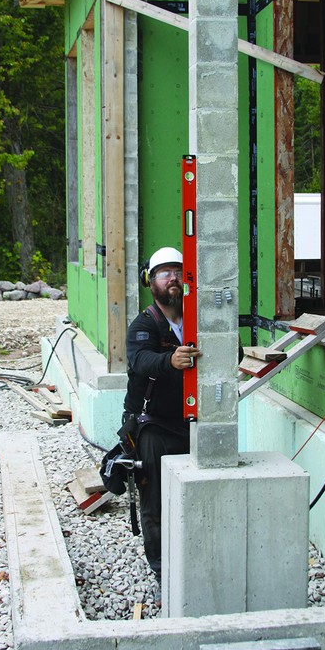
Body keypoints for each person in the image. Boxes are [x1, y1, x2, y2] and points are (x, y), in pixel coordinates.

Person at [122, 246, 201, 585]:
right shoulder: (144, 324)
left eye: (178, 272)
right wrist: (169, 361)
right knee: (154, 500)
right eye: (164, 273)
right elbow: (140, 361)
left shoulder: (197, 318)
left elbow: (234, 350)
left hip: (193, 421)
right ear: (150, 281)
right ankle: (161, 568)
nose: (173, 278)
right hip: (153, 425)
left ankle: (194, 556)